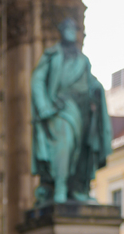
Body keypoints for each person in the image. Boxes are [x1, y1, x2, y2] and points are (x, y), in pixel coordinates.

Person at [31, 17, 112, 205]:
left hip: (83, 110)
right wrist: (43, 106)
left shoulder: (84, 60)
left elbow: (91, 82)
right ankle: (60, 188)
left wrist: (97, 89)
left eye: (74, 29)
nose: (71, 32)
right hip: (61, 108)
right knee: (64, 146)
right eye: (67, 28)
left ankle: (77, 189)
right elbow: (37, 80)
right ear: (61, 31)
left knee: (81, 150)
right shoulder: (52, 55)